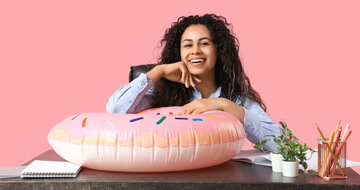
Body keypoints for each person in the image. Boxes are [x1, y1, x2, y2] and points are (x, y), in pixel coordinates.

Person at [106, 14, 281, 150]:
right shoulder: (162, 93)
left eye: (204, 44)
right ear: (179, 53)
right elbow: (115, 110)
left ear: (218, 50)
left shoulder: (233, 99)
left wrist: (223, 105)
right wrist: (159, 71)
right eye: (188, 45)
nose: (195, 51)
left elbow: (280, 145)